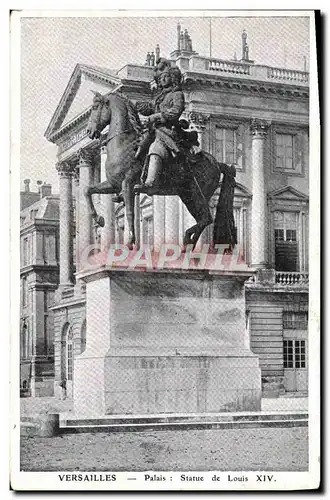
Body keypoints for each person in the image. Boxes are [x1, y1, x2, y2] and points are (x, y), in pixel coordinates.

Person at [134, 59, 185, 195]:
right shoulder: (160, 97)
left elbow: (175, 111)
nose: (162, 80)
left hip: (168, 131)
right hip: (154, 130)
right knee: (137, 148)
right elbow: (151, 108)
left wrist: (156, 117)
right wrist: (137, 106)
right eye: (160, 78)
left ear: (172, 78)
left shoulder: (177, 94)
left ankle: (150, 182)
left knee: (155, 147)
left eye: (165, 77)